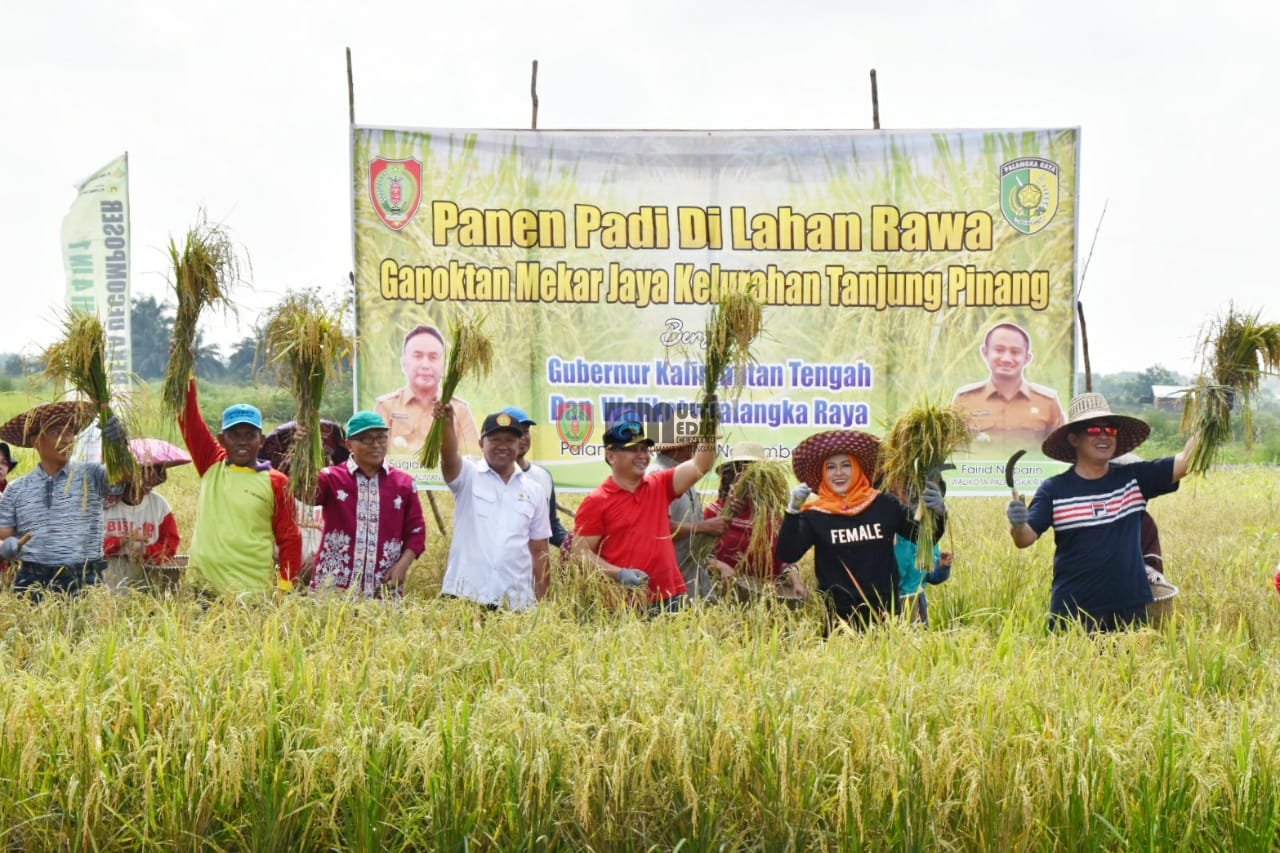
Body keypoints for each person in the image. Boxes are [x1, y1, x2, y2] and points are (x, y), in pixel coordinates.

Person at [1006, 392, 1195, 631]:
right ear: (1074, 439)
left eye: (1110, 430)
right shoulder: (1054, 489)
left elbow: (1186, 461)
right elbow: (1025, 539)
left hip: (1131, 613)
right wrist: (1018, 524)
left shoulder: (1134, 479)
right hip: (1073, 616)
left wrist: (1212, 420)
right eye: (1094, 430)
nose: (1104, 435)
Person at [776, 429, 946, 629]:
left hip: (885, 618)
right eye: (831, 467)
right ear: (823, 473)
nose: (838, 473)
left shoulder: (884, 505)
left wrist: (939, 512)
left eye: (846, 465)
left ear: (857, 469)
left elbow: (922, 537)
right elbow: (788, 552)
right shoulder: (816, 515)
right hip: (838, 623)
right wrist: (792, 511)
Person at [572, 420, 717, 614]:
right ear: (611, 456)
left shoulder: (659, 484)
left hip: (669, 597)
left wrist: (709, 429)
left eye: (644, 449)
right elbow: (580, 553)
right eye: (633, 450)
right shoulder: (597, 501)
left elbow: (701, 465)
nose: (642, 456)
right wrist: (619, 574)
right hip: (624, 603)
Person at [178, 377, 302, 595]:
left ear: (261, 440)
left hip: (252, 593)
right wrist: (184, 371)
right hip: (202, 588)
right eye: (234, 435)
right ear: (222, 439)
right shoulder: (211, 465)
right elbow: (188, 418)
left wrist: (285, 586)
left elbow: (290, 537)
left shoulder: (277, 482)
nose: (242, 441)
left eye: (250, 435)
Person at [0, 401, 126, 597]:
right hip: (32, 583)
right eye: (57, 432)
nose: (67, 439)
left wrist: (119, 446)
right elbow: (4, 532)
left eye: (70, 432)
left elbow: (124, 477)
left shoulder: (92, 476)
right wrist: (7, 546)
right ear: (35, 441)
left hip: (85, 579)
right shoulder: (16, 489)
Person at [438, 404, 551, 610]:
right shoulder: (468, 475)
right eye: (495, 439)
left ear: (520, 444)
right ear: (481, 443)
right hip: (465, 596)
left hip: (515, 603)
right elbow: (448, 457)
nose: (503, 446)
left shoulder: (534, 490)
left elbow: (539, 550)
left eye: (510, 440)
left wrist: (542, 605)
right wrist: (446, 425)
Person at [310, 411, 426, 597]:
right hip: (333, 588)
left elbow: (416, 532)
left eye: (381, 438)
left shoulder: (404, 483)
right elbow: (306, 496)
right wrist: (305, 448)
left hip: (384, 587)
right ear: (349, 445)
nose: (376, 445)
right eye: (366, 439)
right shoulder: (330, 477)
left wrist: (402, 567)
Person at [704, 441, 806, 600]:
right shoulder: (714, 512)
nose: (747, 477)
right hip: (723, 597)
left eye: (753, 472)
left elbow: (785, 559)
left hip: (765, 599)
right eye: (741, 470)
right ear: (731, 476)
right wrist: (720, 566)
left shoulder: (773, 518)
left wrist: (795, 581)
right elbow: (697, 555)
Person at [259, 419, 350, 582]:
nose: (310, 466)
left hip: (326, 580)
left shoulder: (339, 497)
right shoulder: (278, 494)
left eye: (319, 459)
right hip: (281, 578)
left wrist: (321, 558)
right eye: (299, 460)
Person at [951, 321, 1066, 445]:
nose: (1006, 359)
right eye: (999, 350)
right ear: (985, 352)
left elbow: (1062, 450)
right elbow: (950, 448)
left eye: (1015, 352)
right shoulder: (965, 399)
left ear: (1027, 358)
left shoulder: (1047, 402)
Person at [375, 324, 481, 456]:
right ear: (404, 364)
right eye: (418, 356)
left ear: (444, 366)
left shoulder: (459, 409)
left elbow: (473, 458)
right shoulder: (386, 406)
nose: (425, 365)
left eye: (433, 357)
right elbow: (377, 457)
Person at [649, 434, 728, 601]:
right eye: (698, 445)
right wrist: (704, 527)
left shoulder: (684, 476)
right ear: (683, 447)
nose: (700, 450)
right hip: (668, 587)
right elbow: (656, 528)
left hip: (690, 578)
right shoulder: (657, 477)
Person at [102, 438, 188, 591]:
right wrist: (121, 541)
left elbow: (170, 546)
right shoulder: (105, 505)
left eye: (156, 472)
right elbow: (89, 547)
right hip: (107, 584)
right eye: (145, 471)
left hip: (146, 585)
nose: (151, 478)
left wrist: (146, 551)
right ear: (127, 473)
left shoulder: (160, 506)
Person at [500, 406, 568, 548]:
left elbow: (550, 525)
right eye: (517, 432)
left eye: (525, 432)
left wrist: (573, 543)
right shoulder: (488, 476)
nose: (523, 437)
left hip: (533, 567)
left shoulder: (543, 476)